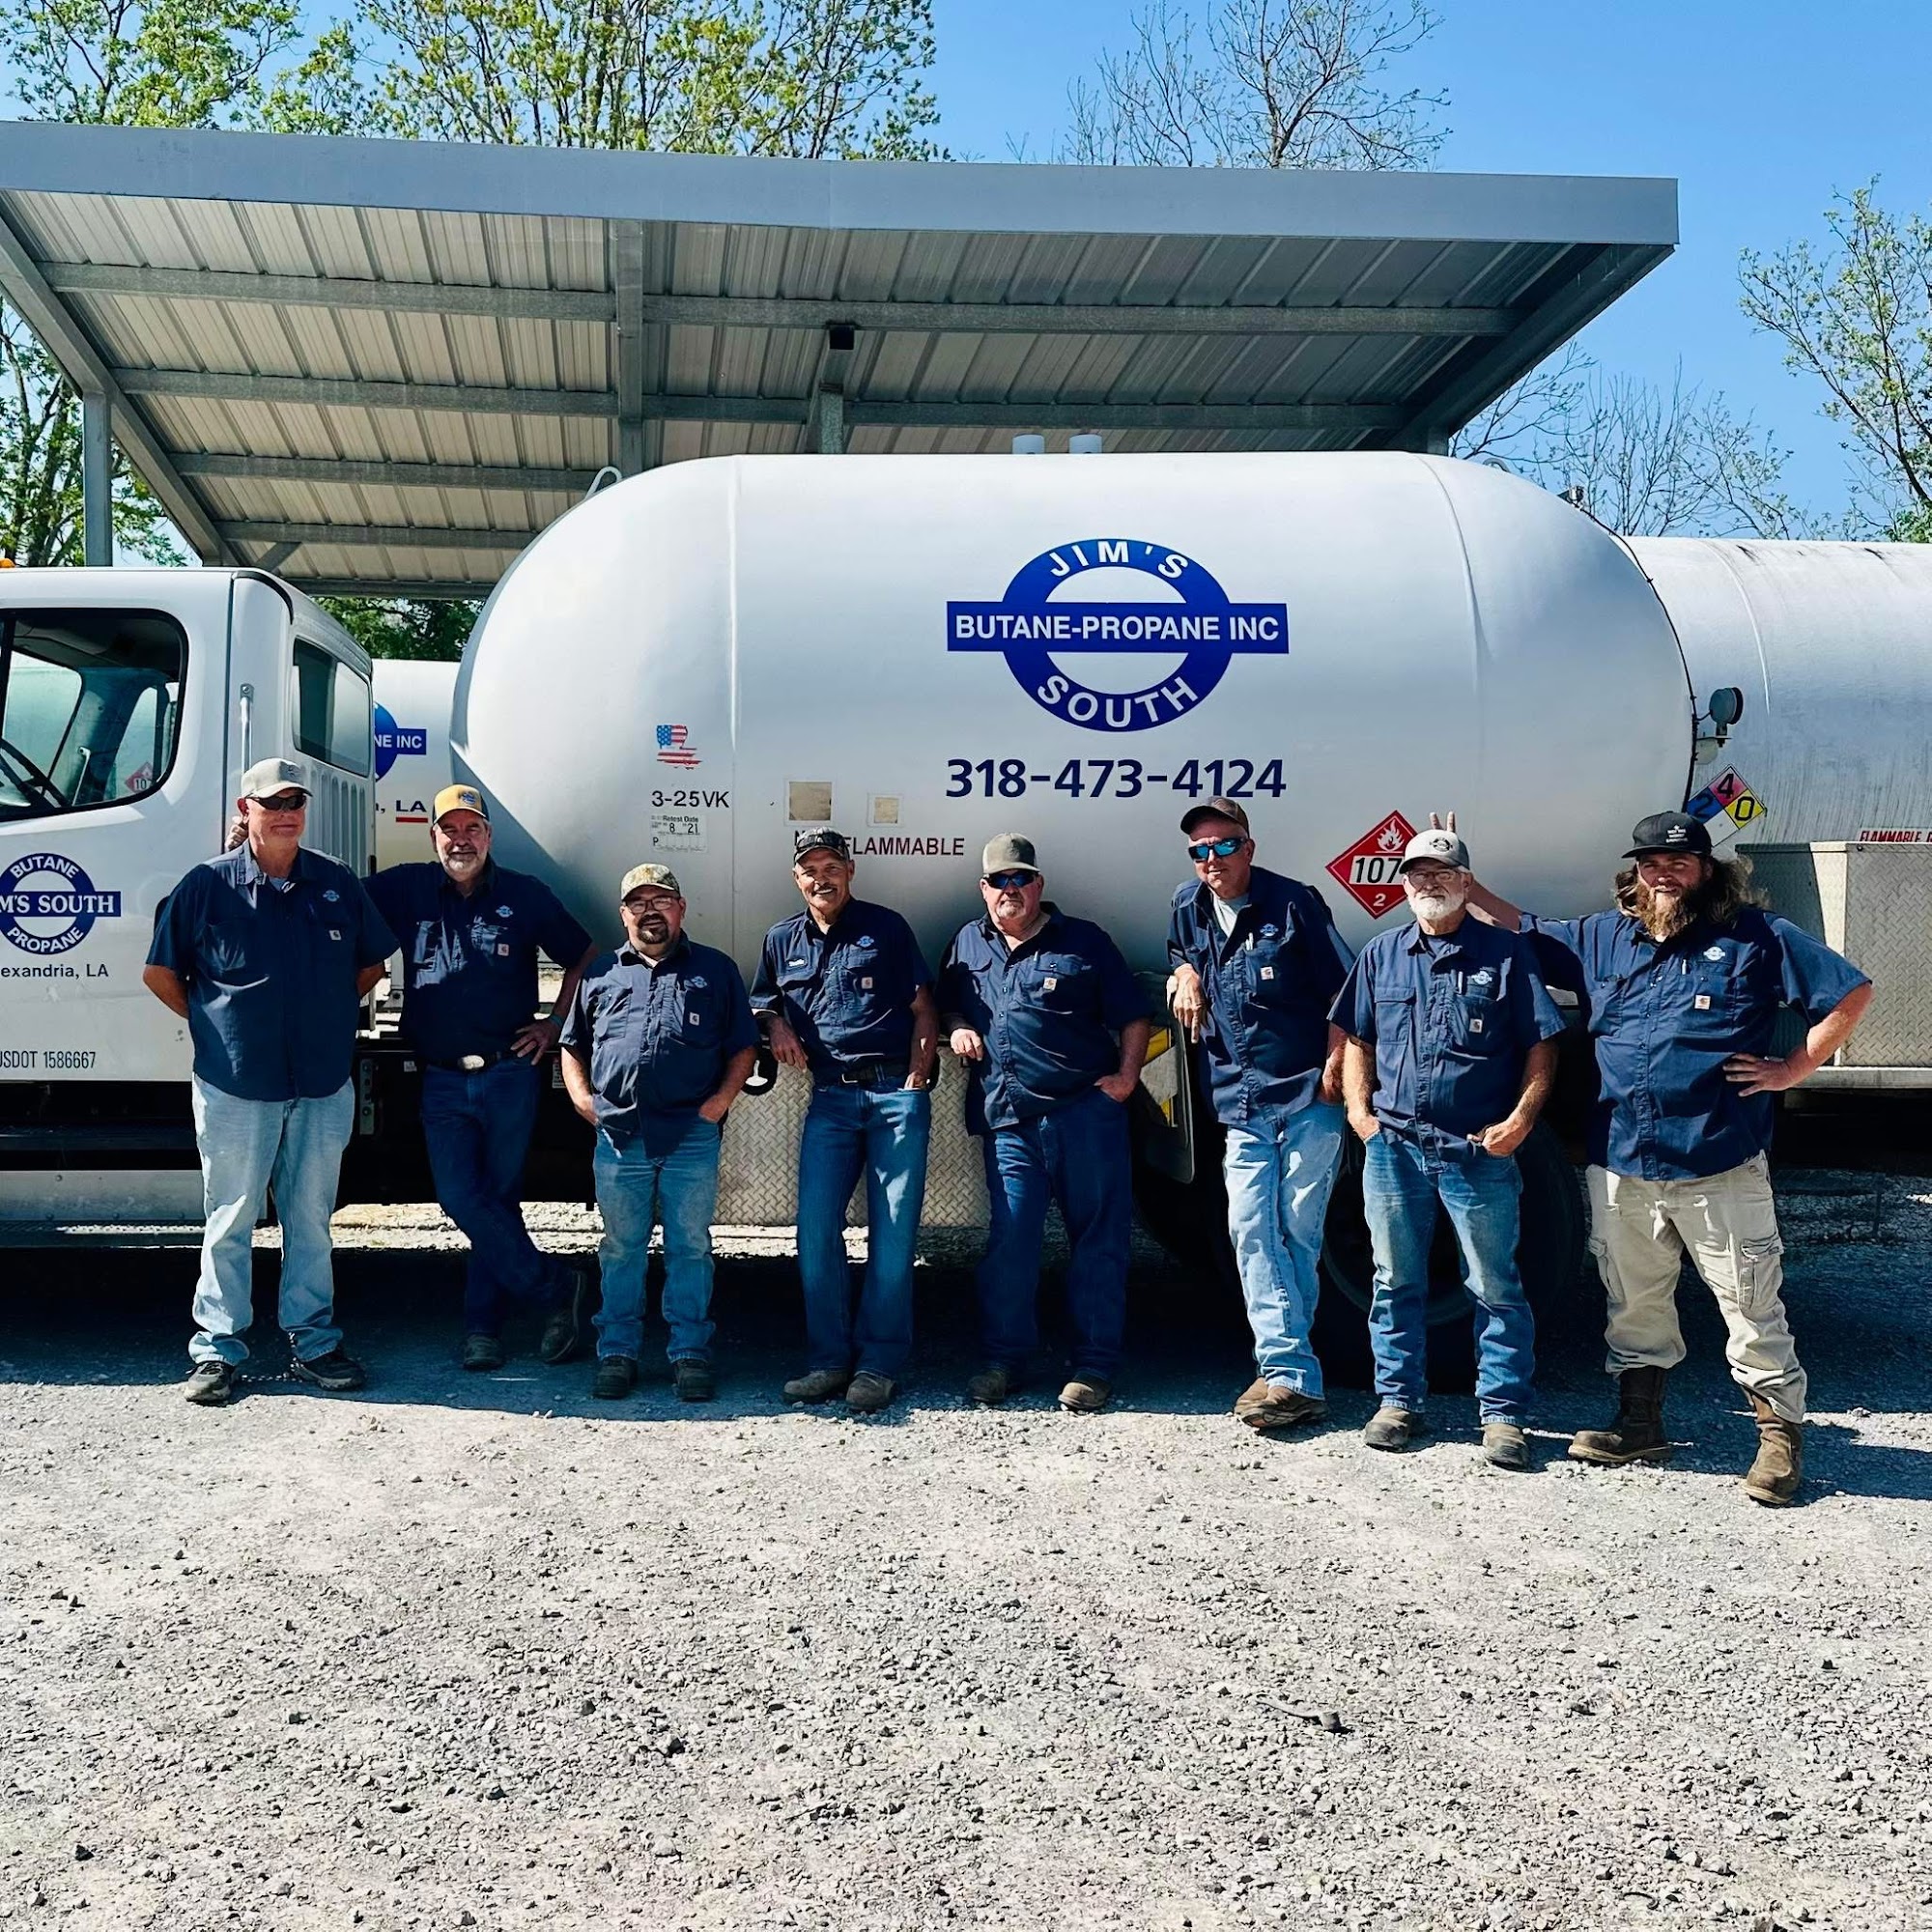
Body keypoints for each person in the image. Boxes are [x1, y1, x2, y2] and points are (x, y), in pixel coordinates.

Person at [1457, 810, 1874, 1505]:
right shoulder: (1602, 937)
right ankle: (1638, 1423)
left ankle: (1779, 1440)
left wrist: (1792, 1068)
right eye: (1652, 863)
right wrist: (1465, 884)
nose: (1664, 874)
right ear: (1636, 873)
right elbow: (1522, 928)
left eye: (1679, 862)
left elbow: (1850, 992)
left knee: (1749, 1301)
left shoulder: (1757, 936)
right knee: (1634, 1300)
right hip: (1623, 1158)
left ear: (1707, 870)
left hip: (1718, 1158)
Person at [143, 756, 397, 1406]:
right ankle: (217, 1349)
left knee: (310, 1219)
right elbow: (161, 972)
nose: (285, 813)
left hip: (320, 1082)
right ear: (245, 810)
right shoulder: (206, 886)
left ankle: (313, 1344)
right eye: (271, 803)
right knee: (230, 1217)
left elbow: (371, 963)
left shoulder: (335, 882)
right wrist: (217, 1025)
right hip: (235, 1084)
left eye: (294, 802)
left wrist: (328, 1014)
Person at [1331, 827, 1566, 1469]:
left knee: (1494, 1284)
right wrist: (1359, 1113)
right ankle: (1398, 1403)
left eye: (1441, 873)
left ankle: (1504, 1415)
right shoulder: (1381, 953)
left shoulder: (1507, 955)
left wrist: (1520, 1121)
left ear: (1465, 882)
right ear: (1404, 885)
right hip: (1395, 1149)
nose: (1427, 883)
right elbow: (1358, 1039)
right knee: (1393, 1280)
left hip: (1476, 1153)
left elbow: (1542, 1046)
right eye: (1416, 874)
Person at [367, 783, 598, 1373]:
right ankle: (557, 1288)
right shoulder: (406, 887)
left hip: (509, 1074)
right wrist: (246, 845)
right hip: (441, 1079)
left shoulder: (524, 894)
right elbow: (334, 896)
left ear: (489, 836)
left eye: (472, 829)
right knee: (461, 1198)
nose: (460, 840)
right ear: (433, 837)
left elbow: (583, 955)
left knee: (497, 1200)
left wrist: (555, 1024)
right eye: (449, 829)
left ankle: (482, 1329)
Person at [939, 835, 1151, 1413]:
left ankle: (1094, 1366)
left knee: (1099, 1241)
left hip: (1084, 1114)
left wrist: (1126, 1079)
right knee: (1011, 1241)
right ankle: (1003, 1360)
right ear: (983, 888)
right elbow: (946, 1002)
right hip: (1009, 1120)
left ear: (1038, 885)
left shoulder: (1084, 941)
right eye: (999, 881)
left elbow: (1133, 1016)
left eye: (1020, 879)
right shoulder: (966, 942)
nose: (1010, 890)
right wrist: (958, 1026)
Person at [1166, 798, 1353, 1432]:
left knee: (1296, 1232)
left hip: (1305, 1097)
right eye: (1200, 850)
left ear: (1249, 847)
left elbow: (1343, 993)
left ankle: (1286, 1374)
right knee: (1250, 1228)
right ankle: (1290, 1372)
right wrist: (1185, 972)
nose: (1212, 859)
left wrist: (1335, 1073)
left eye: (1224, 846)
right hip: (1240, 1101)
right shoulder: (1187, 907)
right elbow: (1179, 948)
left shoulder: (1295, 904)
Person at [753, 827, 938, 1414]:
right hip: (830, 1099)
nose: (821, 878)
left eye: (831, 867)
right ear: (796, 878)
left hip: (893, 1096)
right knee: (814, 1231)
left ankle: (878, 1364)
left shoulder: (886, 928)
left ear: (850, 871)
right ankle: (828, 1361)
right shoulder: (781, 939)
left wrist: (915, 1081)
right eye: (810, 869)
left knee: (893, 1235)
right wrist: (774, 1024)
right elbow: (761, 1000)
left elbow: (923, 1009)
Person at [559, 865, 757, 1402]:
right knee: (621, 1247)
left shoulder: (715, 970)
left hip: (690, 1134)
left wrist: (719, 1103)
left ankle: (689, 1353)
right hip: (620, 1135)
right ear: (624, 913)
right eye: (638, 902)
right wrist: (581, 1099)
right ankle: (617, 1353)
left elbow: (743, 1045)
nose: (651, 911)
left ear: (681, 908)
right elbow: (572, 1044)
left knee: (689, 1247)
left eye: (662, 900)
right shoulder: (601, 973)